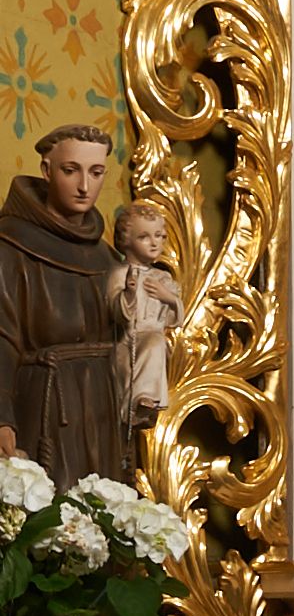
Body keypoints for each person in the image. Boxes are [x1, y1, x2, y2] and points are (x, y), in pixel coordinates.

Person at [0, 123, 128, 490]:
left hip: (102, 412)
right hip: (43, 410)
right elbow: (2, 339)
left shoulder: (107, 256)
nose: (85, 186)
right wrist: (2, 418)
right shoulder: (11, 247)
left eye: (96, 172)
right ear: (47, 170)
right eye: (71, 170)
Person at [108, 203, 180, 427]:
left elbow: (174, 319)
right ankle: (137, 402)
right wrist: (129, 294)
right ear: (126, 241)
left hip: (153, 338)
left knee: (156, 342)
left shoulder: (163, 278)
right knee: (152, 344)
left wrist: (168, 298)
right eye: (144, 237)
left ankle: (144, 401)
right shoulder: (119, 274)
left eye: (159, 236)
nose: (154, 243)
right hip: (127, 340)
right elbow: (114, 312)